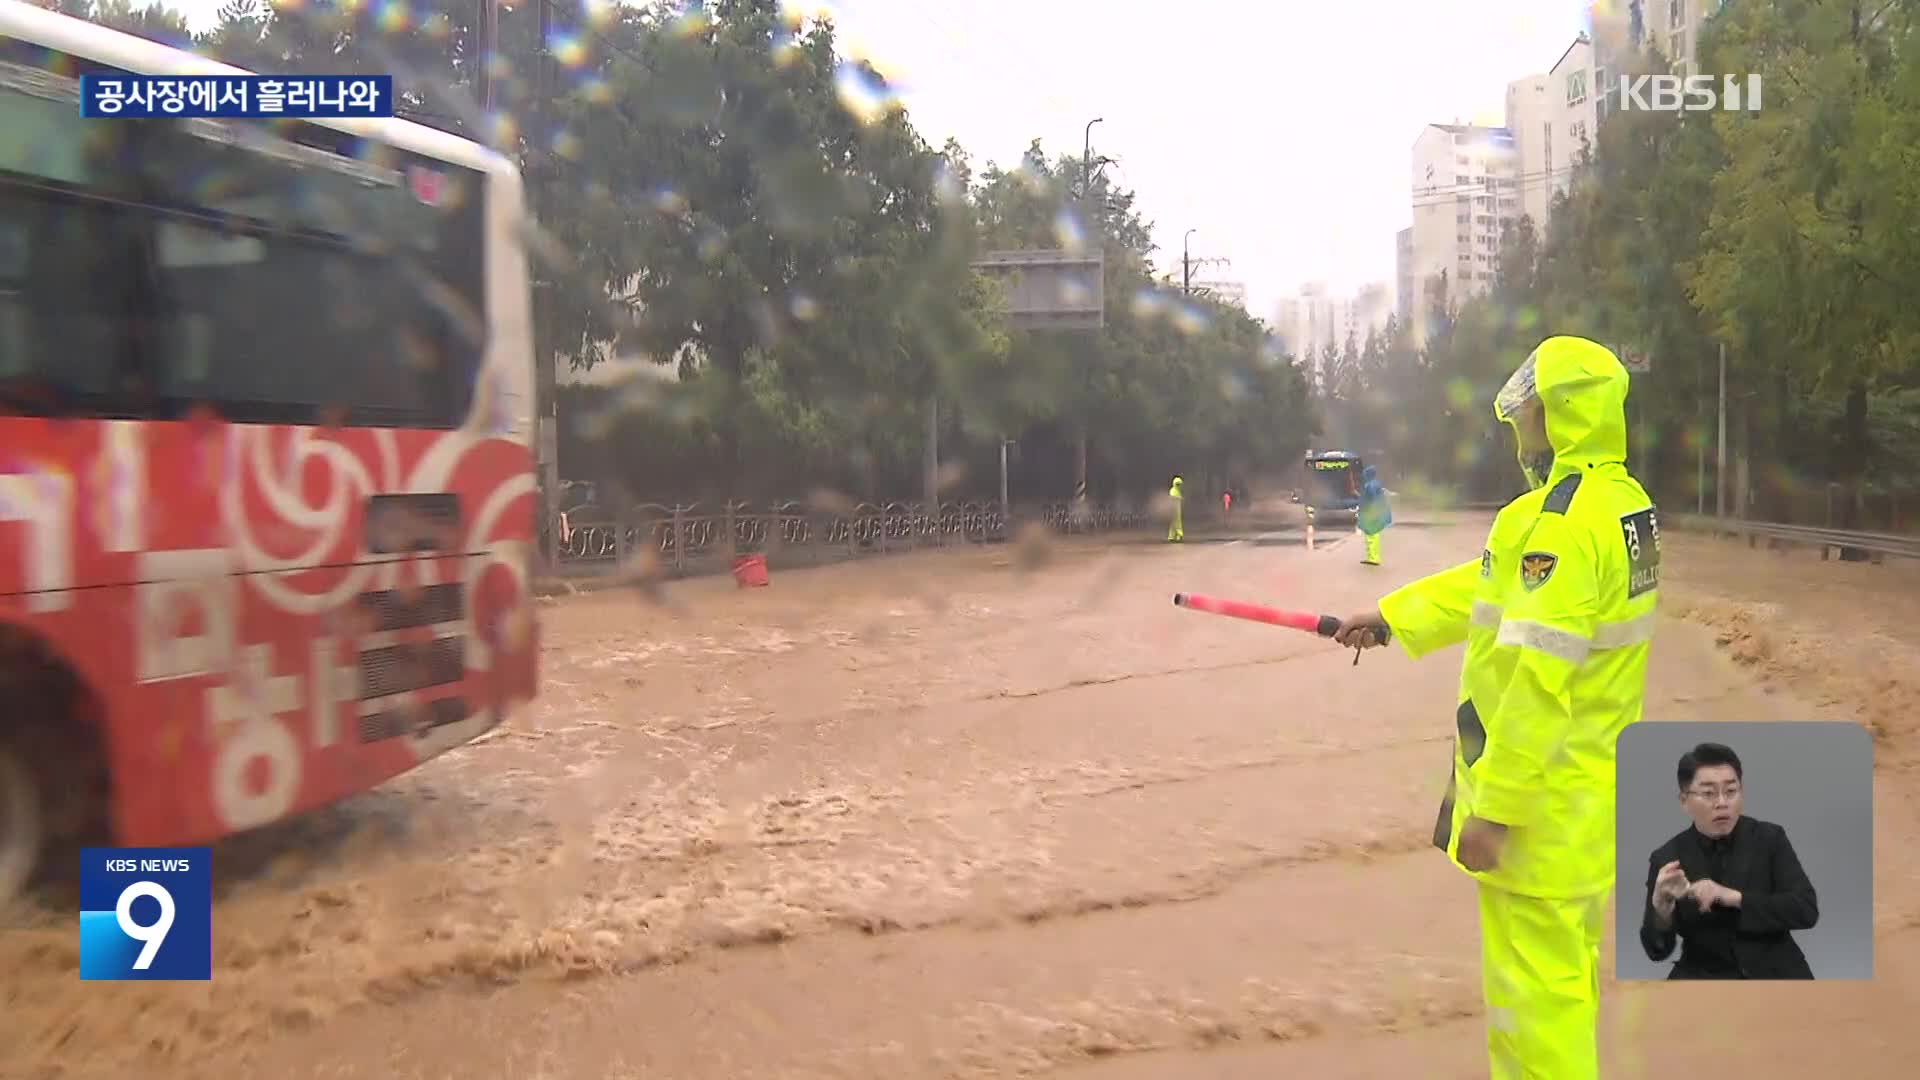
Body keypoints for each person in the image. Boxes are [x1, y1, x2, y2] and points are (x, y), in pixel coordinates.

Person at [1333, 336, 1660, 1079]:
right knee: (1558, 994)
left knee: (1536, 1018)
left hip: (1539, 822)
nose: (1522, 429)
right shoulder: (1621, 508)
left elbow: (1540, 679)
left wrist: (1498, 810)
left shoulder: (1561, 526)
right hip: (1589, 806)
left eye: (1531, 413)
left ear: (1561, 414)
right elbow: (1489, 585)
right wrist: (1395, 615)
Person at [1640, 741, 1818, 979]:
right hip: (1703, 975)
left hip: (1777, 969)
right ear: (1684, 800)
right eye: (1708, 793)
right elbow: (1657, 951)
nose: (1722, 802)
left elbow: (1805, 910)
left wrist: (1734, 898)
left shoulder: (1769, 838)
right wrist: (1661, 909)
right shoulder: (1666, 858)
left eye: (1731, 791)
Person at [1356, 463, 1392, 566]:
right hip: (1375, 513)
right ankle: (1374, 557)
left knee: (1370, 536)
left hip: (1371, 513)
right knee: (1374, 535)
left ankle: (1373, 558)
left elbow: (1370, 499)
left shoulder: (1369, 485)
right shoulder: (1376, 483)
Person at [1167, 475, 1184, 543]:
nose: (1179, 485)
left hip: (1177, 509)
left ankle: (1172, 536)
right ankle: (1178, 535)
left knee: (1174, 523)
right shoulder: (1173, 491)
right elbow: (1172, 499)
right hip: (1174, 509)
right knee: (1176, 523)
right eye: (1178, 484)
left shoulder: (1177, 490)